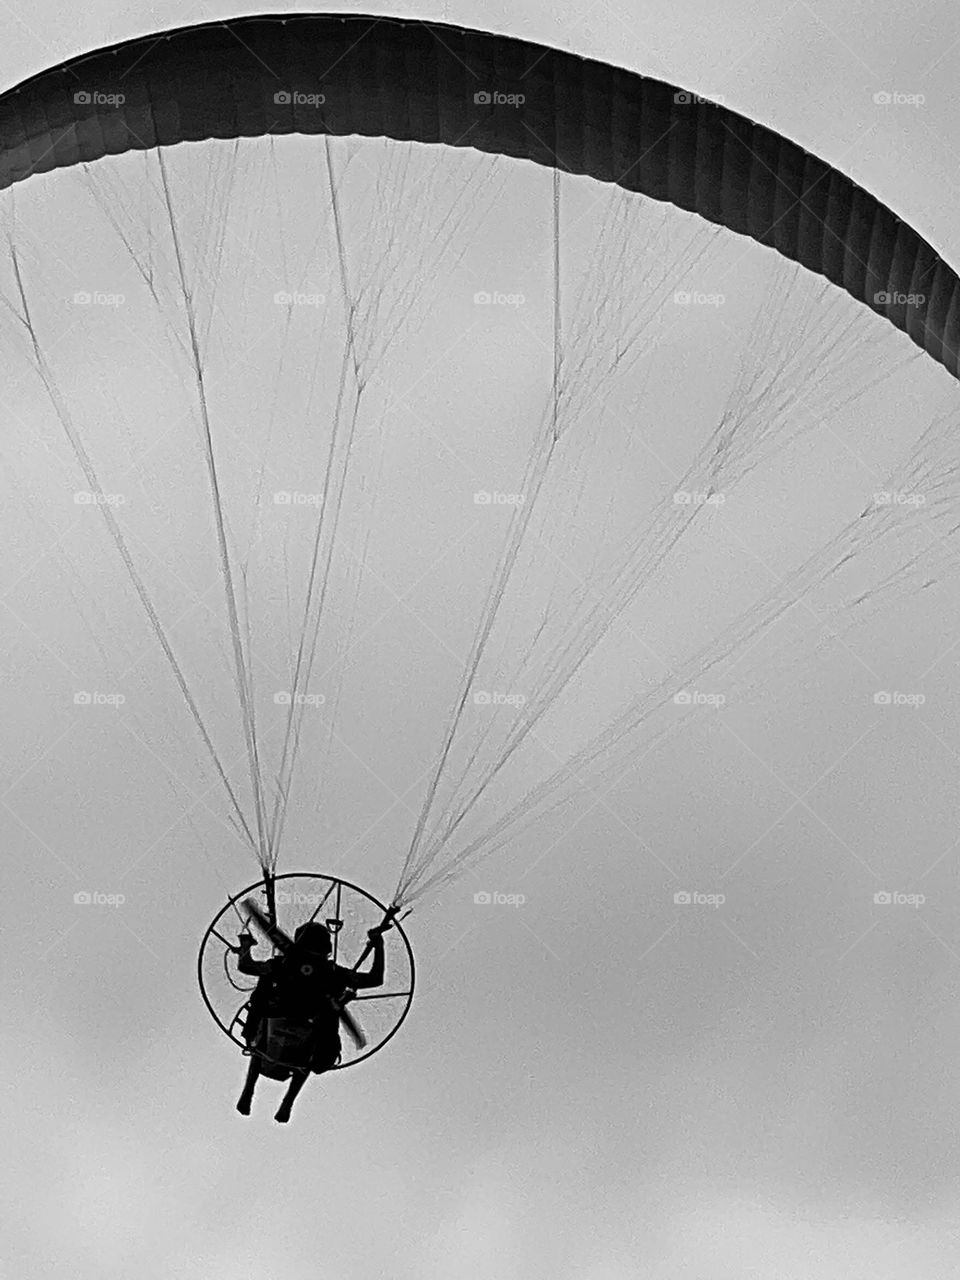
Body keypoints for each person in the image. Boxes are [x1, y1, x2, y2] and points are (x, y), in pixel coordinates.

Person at [234, 917, 390, 1123]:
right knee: (299, 1048)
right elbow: (375, 978)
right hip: (291, 1020)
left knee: (268, 1042)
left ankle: (257, 1095)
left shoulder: (286, 964)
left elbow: (246, 966)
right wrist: (378, 945)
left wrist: (245, 945)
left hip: (293, 1022)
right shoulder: (330, 972)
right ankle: (279, 1101)